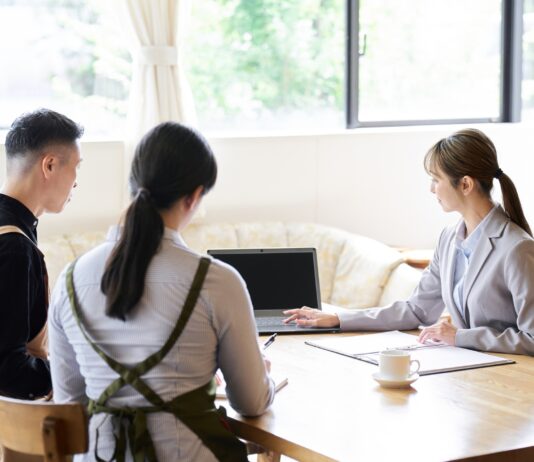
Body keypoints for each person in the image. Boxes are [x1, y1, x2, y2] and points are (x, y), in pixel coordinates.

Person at [48, 122, 275, 462]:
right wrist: (263, 373)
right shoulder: (216, 281)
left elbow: (70, 402)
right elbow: (251, 402)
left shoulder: (70, 279)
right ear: (194, 196)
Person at [284, 128, 534, 355]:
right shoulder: (449, 239)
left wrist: (460, 336)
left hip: (511, 382)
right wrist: (339, 318)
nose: (431, 189)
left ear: (466, 184)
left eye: (436, 179)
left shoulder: (517, 248)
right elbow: (416, 310)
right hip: (472, 374)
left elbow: (531, 338)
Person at [0, 109, 83, 399]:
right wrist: (78, 370)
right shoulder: (14, 247)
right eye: (76, 167)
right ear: (49, 165)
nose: (76, 182)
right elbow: (8, 371)